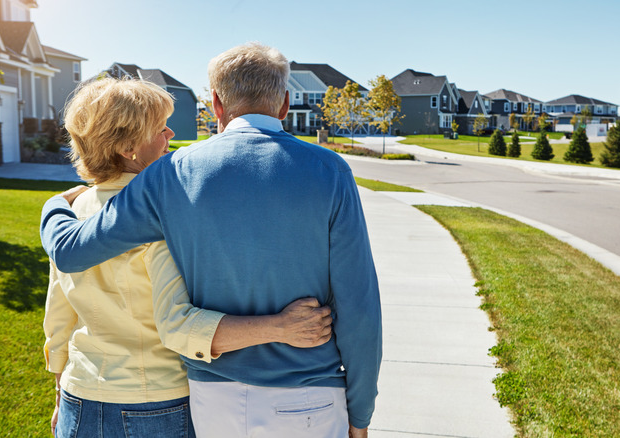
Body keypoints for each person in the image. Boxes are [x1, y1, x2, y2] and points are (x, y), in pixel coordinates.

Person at [41, 42, 383, 438]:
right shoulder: (330, 170)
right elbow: (359, 306)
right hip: (298, 397)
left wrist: (54, 204)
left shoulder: (167, 177)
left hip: (172, 398)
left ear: (216, 104)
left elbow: (68, 265)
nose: (169, 133)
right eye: (159, 128)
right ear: (286, 103)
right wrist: (360, 412)